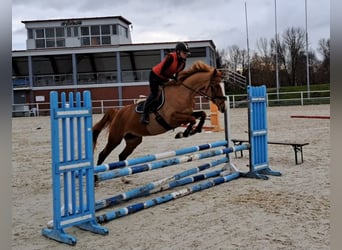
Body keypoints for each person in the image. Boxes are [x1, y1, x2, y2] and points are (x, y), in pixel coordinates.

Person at [140, 42, 190, 124]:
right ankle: (144, 114)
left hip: (165, 78)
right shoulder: (170, 57)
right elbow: (162, 71)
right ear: (178, 52)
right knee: (154, 94)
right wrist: (172, 78)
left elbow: (177, 76)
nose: (186, 55)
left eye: (187, 53)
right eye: (184, 53)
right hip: (155, 75)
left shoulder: (183, 64)